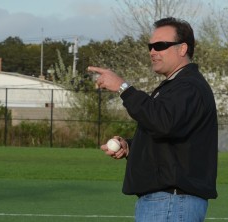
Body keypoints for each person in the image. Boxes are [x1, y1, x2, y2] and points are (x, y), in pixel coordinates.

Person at [88, 17, 218, 222]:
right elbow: (168, 134)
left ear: (182, 49)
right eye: (150, 46)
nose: (152, 51)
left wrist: (123, 88)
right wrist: (130, 147)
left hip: (172, 202)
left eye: (160, 45)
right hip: (170, 201)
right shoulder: (177, 86)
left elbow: (162, 123)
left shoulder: (188, 86)